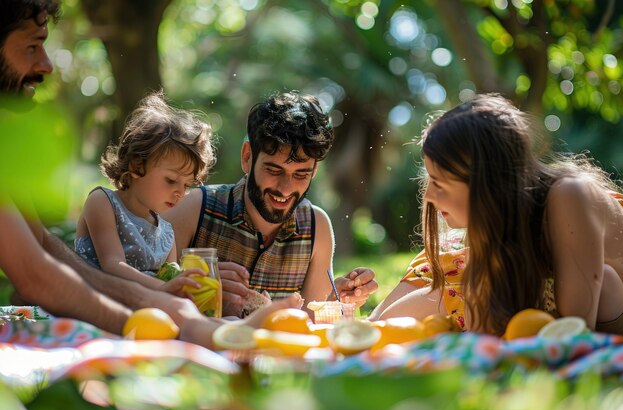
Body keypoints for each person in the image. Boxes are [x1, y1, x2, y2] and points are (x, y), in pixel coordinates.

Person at [0, 0, 302, 349]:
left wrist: (172, 307)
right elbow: (35, 277)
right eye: (33, 46)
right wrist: (164, 325)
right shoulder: (104, 202)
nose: (47, 65)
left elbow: (43, 244)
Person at [370, 93, 623, 336]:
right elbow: (489, 327)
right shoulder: (498, 224)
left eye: (439, 183)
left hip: (609, 305)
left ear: (483, 180)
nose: (428, 197)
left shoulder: (569, 196)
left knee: (606, 284)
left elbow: (573, 329)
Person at [166, 91, 378, 317]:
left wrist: (338, 302)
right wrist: (196, 293)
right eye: (274, 170)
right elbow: (147, 295)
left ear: (314, 170)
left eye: (301, 174)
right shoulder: (193, 209)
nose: (285, 189)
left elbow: (309, 323)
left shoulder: (317, 228)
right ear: (247, 157)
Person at [75, 91, 212, 297]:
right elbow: (113, 265)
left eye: (188, 185)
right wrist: (164, 288)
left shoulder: (166, 233)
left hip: (141, 311)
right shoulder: (103, 202)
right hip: (93, 305)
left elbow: (170, 280)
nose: (180, 193)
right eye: (171, 180)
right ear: (137, 166)